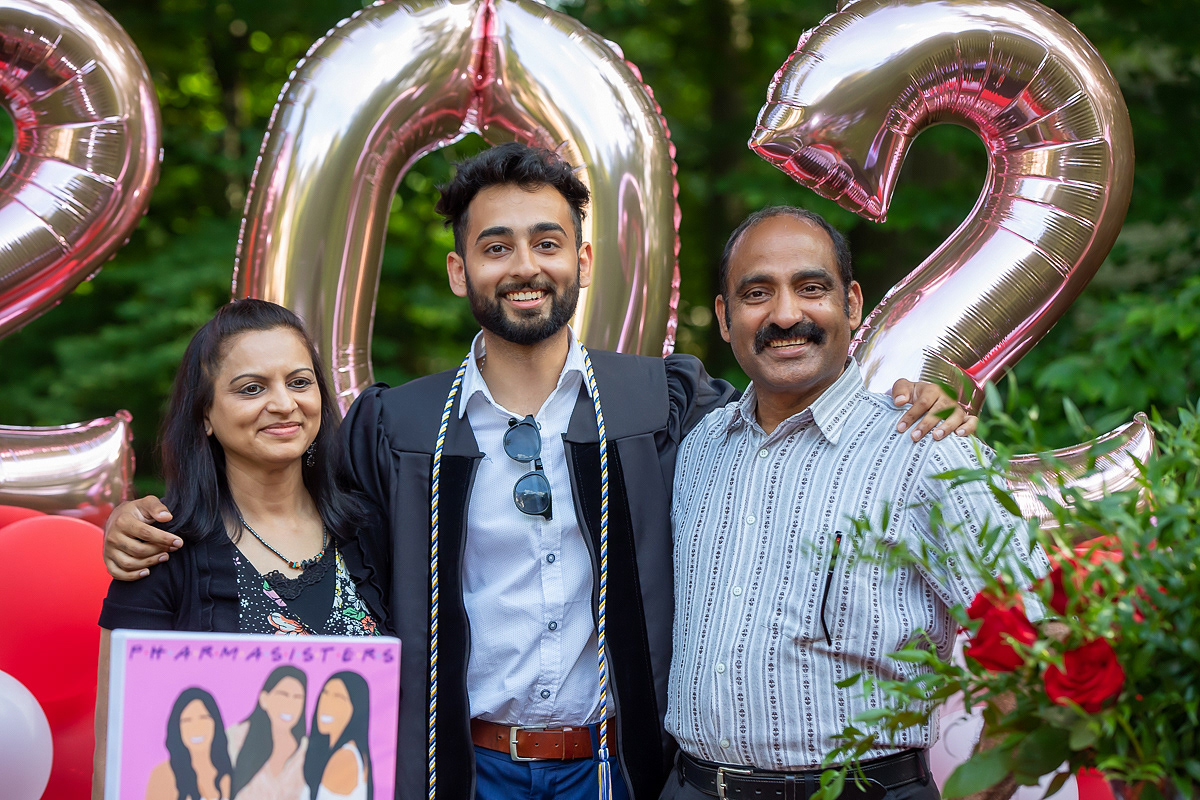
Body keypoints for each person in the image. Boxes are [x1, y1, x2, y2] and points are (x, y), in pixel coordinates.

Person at [102, 144, 973, 800]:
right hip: (463, 766)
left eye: (547, 242)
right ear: (460, 270)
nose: (525, 266)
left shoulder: (665, 406)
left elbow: (792, 408)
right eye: (497, 246)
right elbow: (288, 501)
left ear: (582, 262)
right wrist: (148, 519)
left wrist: (935, 394)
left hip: (617, 768)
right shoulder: (399, 427)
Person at [661, 207, 1048, 800]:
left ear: (852, 304)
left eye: (811, 288)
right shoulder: (699, 448)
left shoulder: (928, 448)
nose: (785, 315)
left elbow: (1037, 641)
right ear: (723, 317)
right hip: (693, 786)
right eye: (757, 293)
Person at [92, 300, 387, 798]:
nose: (284, 403)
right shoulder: (161, 551)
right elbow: (116, 753)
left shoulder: (373, 529)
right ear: (205, 414)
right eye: (252, 388)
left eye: (299, 382)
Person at [227, 665, 309, 800]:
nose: (290, 704)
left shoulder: (305, 751)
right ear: (264, 699)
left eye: (298, 698)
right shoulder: (236, 737)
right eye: (283, 695)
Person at [146, 687, 234, 800]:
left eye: (204, 718)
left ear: (215, 723)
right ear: (177, 728)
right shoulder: (162, 775)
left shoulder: (231, 772)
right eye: (187, 720)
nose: (196, 727)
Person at [304, 672, 373, 800]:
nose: (326, 704)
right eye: (325, 694)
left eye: (339, 698)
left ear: (355, 708)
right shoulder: (345, 751)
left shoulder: (345, 756)